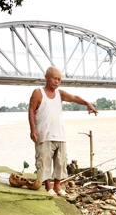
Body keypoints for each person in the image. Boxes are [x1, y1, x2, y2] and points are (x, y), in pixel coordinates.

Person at [28, 66, 98, 196]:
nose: (57, 81)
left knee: (61, 162)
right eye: (55, 78)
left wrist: (87, 103)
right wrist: (33, 129)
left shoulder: (60, 94)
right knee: (44, 161)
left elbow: (74, 97)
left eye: (59, 79)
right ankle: (48, 187)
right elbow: (31, 110)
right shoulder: (38, 92)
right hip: (44, 134)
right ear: (46, 77)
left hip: (59, 134)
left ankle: (57, 187)